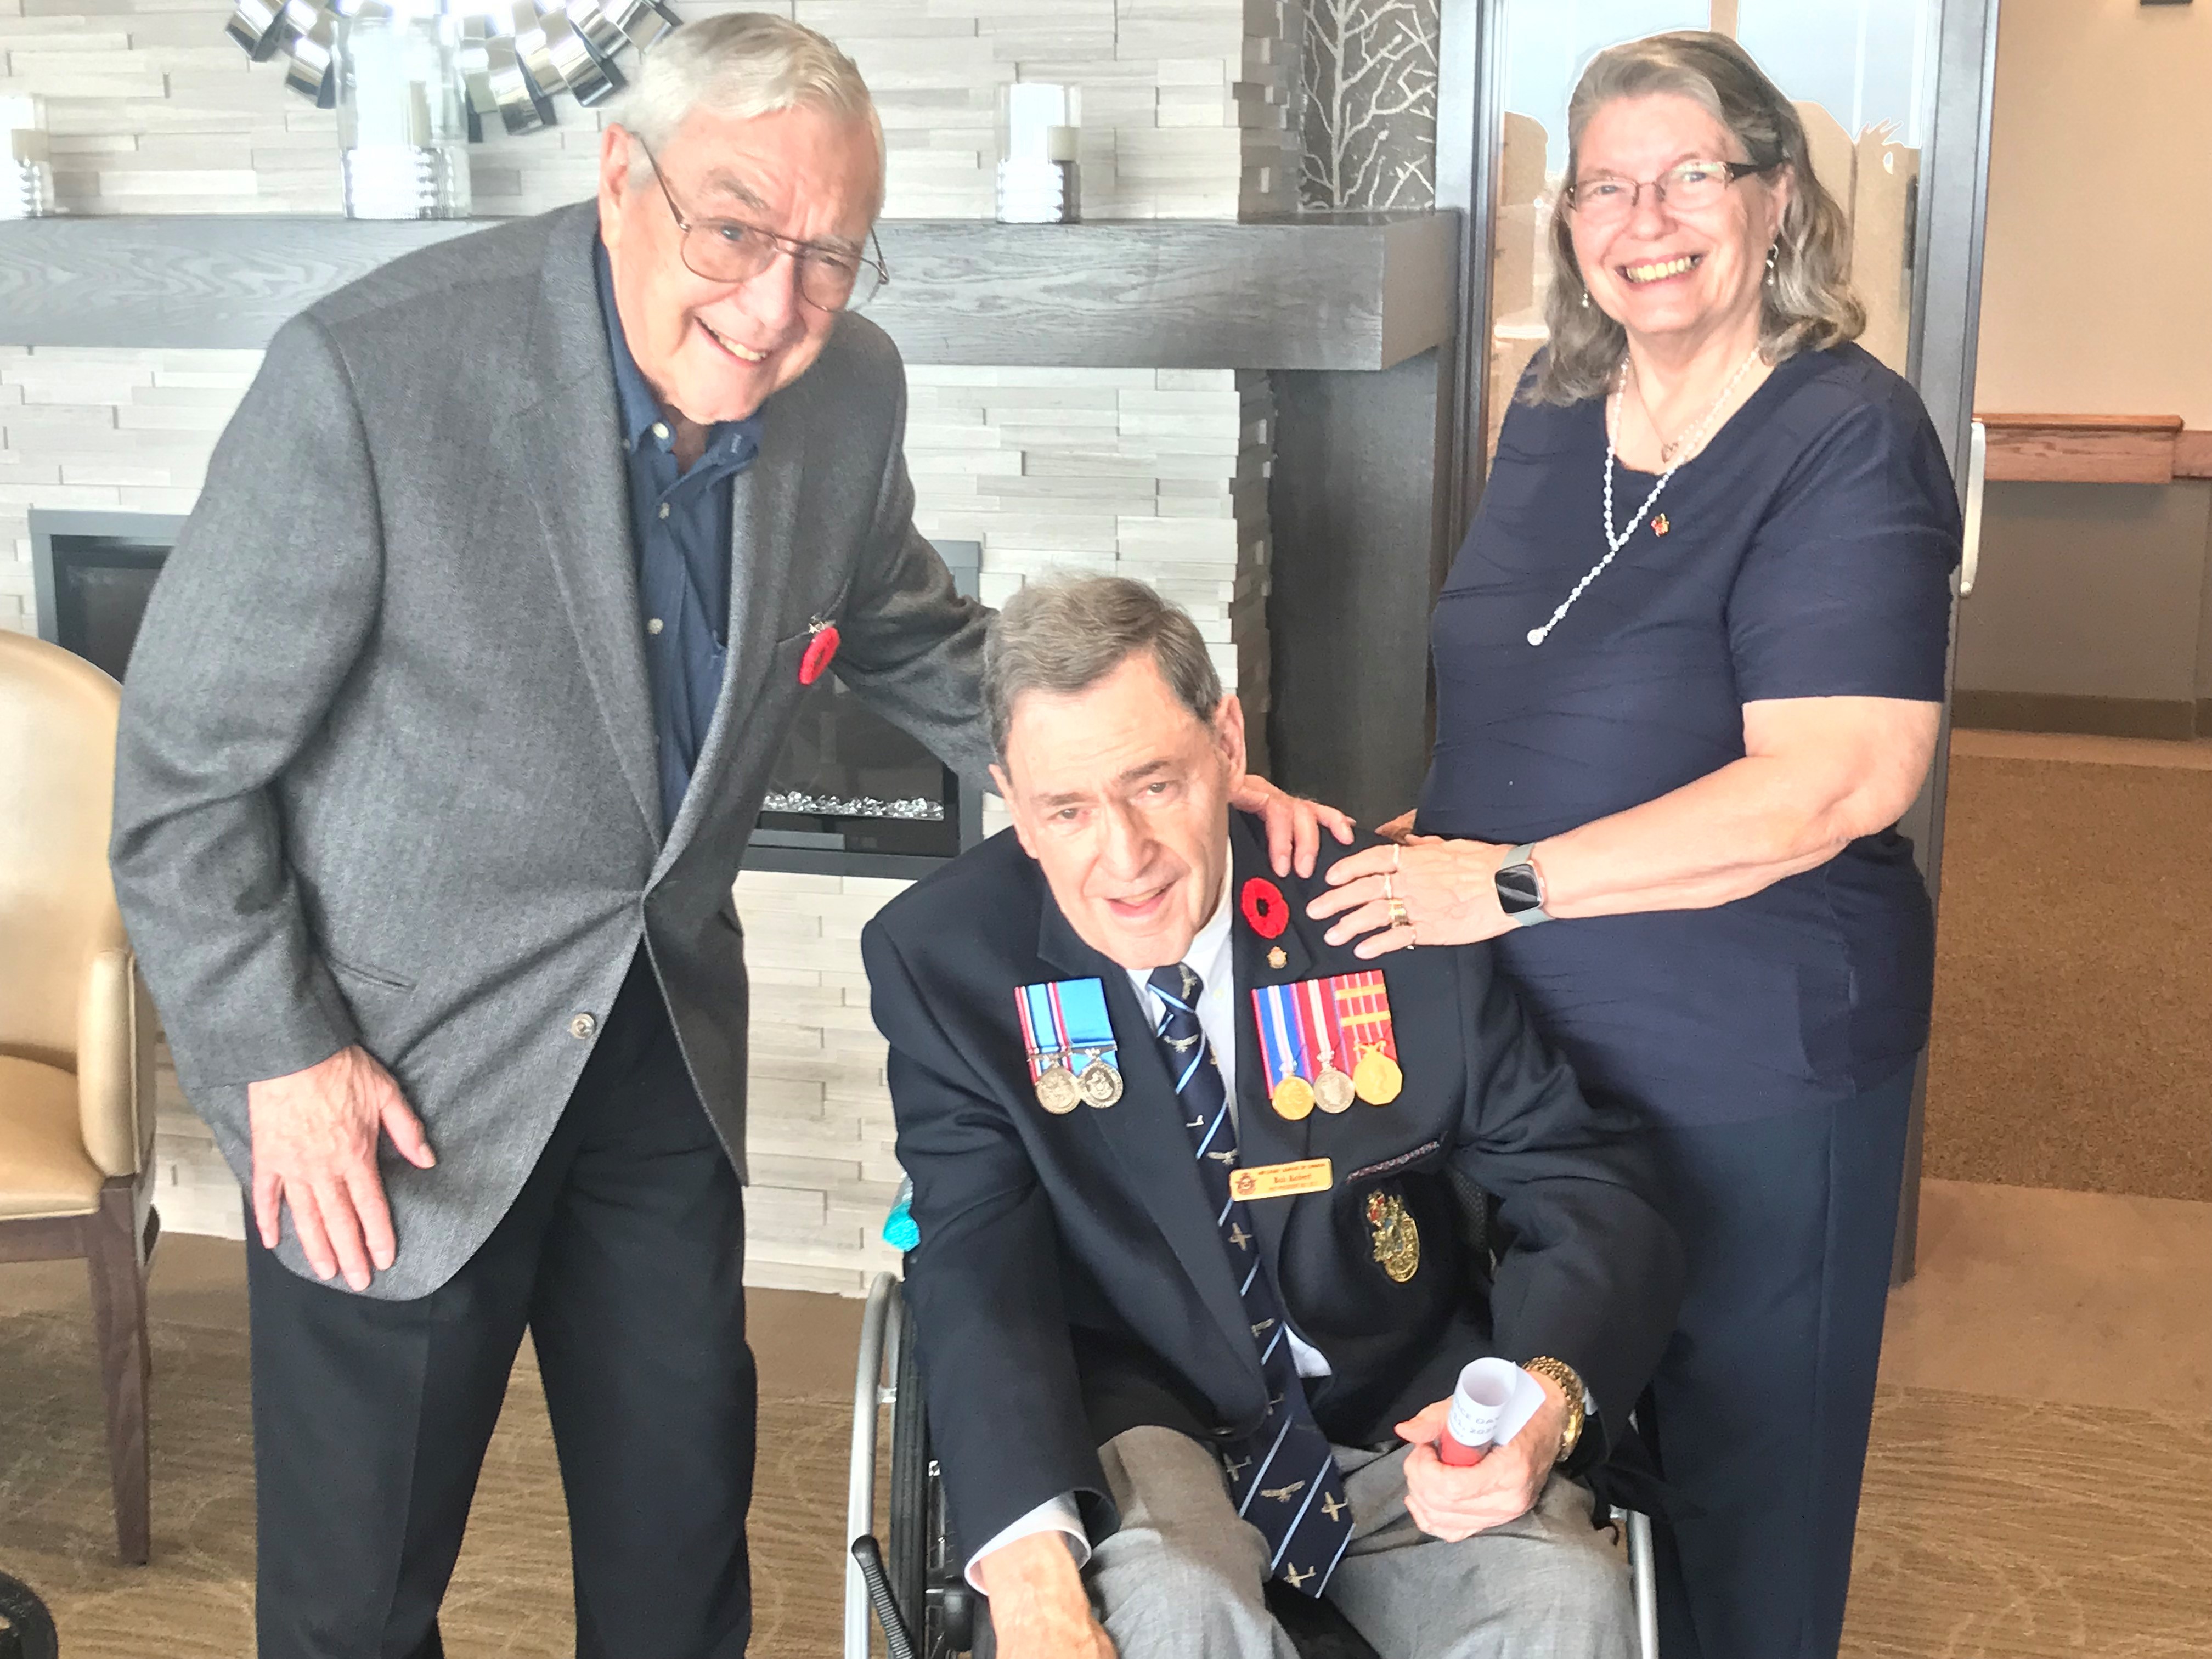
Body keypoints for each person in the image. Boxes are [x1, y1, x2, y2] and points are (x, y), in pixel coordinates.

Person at [106, 18, 1337, 1657]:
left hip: (658, 1054)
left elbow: (906, 634)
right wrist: (281, 1056)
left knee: (682, 1567)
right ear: (625, 178)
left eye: (830, 258)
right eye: (738, 231)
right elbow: (183, 767)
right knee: (355, 1603)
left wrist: (1136, 768)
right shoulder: (372, 377)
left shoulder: (848, 391)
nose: (774, 308)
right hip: (387, 1079)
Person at [1306, 32, 1961, 1659]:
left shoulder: (1846, 437)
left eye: (1690, 177)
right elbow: (1522, 714)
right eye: (1606, 184)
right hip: (1531, 1062)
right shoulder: (1558, 401)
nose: (1645, 219)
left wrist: (1501, 882)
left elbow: (1837, 780)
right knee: (1552, 1454)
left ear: (1774, 201)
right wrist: (1389, 850)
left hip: (1747, 1062)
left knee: (1739, 1502)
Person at [865, 575, 1683, 1659]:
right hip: (1137, 1416)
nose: (1123, 856)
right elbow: (972, 1259)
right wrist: (1026, 1570)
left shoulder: (1377, 913)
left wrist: (1549, 1395)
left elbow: (1583, 1180)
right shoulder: (948, 962)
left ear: (1228, 743)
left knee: (1566, 1603)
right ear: (1013, 796)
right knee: (1167, 1613)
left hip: (1399, 1406)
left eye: (1155, 786)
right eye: (1066, 810)